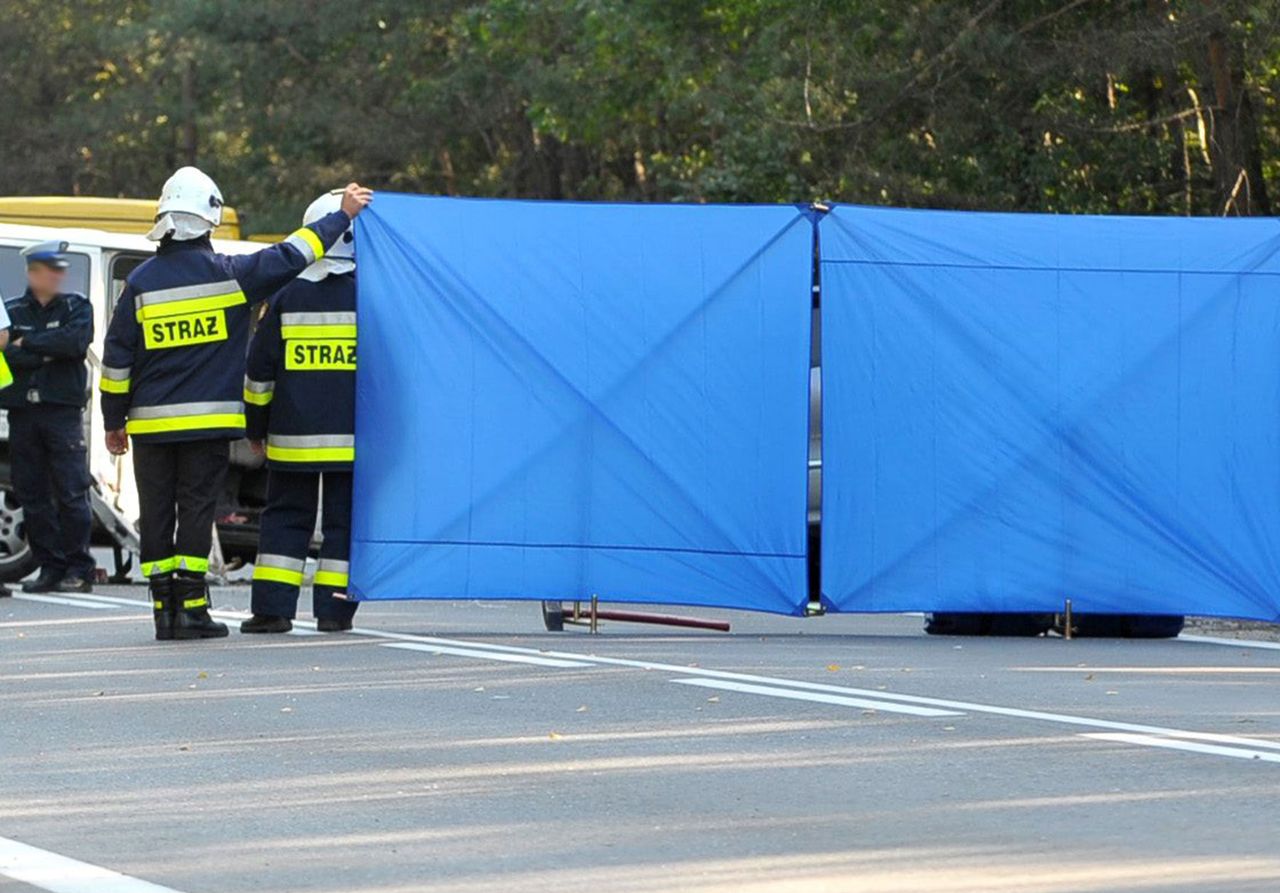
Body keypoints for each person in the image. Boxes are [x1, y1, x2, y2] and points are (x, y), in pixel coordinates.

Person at [100, 167, 372, 641]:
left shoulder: (140, 284)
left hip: (153, 428)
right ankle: (200, 608)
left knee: (160, 514)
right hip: (213, 426)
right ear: (209, 219)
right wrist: (342, 217)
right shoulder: (230, 277)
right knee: (198, 510)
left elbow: (117, 360)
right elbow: (290, 254)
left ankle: (169, 613)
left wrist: (112, 421)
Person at [241, 190, 360, 634]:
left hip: (292, 439)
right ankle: (333, 613)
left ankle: (272, 611)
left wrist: (256, 428)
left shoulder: (287, 297)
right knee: (343, 525)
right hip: (353, 440)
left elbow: (259, 371)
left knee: (285, 519)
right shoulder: (374, 298)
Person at [1, 241, 95, 594]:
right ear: (32, 273)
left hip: (62, 413)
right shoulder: (11, 312)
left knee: (72, 492)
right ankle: (50, 567)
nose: (58, 276)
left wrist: (30, 344)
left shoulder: (76, 307)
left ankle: (78, 568)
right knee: (32, 493)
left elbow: (74, 343)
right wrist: (44, 349)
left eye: (60, 270)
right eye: (50, 270)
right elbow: (8, 356)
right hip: (24, 413)